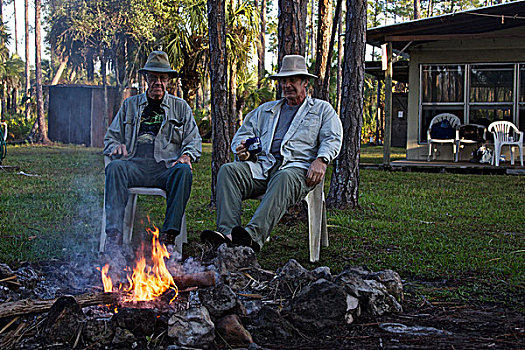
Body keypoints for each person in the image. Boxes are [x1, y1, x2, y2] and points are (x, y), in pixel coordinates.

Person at [201, 55, 342, 252]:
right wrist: (244, 151)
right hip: (263, 167)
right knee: (228, 171)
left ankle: (252, 237)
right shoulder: (266, 110)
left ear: (305, 82)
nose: (287, 85)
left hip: (297, 170)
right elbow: (243, 137)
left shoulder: (321, 109)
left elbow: (333, 137)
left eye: (292, 80)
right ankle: (228, 235)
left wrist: (322, 160)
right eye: (284, 80)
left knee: (284, 176)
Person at [103, 51, 201, 248]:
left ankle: (169, 237)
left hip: (164, 168)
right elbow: (110, 138)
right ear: (146, 78)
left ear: (168, 81)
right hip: (134, 165)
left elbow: (194, 140)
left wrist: (186, 155)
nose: (158, 82)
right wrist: (117, 146)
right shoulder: (130, 105)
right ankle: (113, 237)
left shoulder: (180, 107)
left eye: (162, 78)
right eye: (153, 77)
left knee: (183, 171)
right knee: (114, 168)